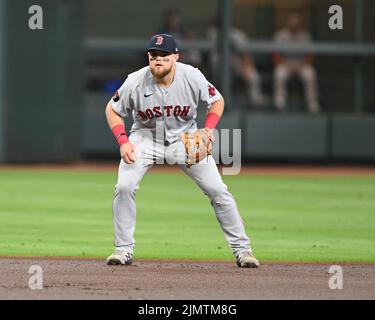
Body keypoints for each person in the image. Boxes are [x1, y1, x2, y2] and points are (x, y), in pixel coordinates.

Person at [105, 33, 259, 268]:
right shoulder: (135, 81)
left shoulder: (192, 76)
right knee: (124, 186)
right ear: (148, 56)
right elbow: (112, 109)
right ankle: (123, 250)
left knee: (218, 190)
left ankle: (243, 251)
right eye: (154, 55)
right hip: (145, 139)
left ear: (175, 57)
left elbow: (216, 101)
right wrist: (123, 141)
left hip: (185, 139)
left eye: (165, 56)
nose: (159, 60)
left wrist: (208, 130)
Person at [207, 18, 267, 108]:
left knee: (253, 76)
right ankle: (217, 101)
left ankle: (255, 100)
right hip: (221, 65)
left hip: (239, 64)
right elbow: (213, 54)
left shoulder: (238, 35)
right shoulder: (213, 34)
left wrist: (246, 66)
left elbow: (247, 54)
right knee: (216, 63)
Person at [273, 12, 320, 113]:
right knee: (279, 74)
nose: (294, 25)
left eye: (296, 23)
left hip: (302, 64)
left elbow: (310, 55)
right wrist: (286, 65)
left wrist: (301, 65)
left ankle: (312, 104)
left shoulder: (306, 36)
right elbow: (276, 55)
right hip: (285, 64)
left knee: (310, 74)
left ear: (300, 24)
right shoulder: (280, 35)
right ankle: (279, 103)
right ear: (288, 23)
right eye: (292, 23)